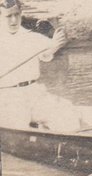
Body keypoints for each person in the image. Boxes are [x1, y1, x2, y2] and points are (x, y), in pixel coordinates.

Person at [0, 0, 81, 131]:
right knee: (18, 127)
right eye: (8, 16)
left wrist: (55, 45)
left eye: (17, 14)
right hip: (8, 97)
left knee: (67, 113)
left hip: (34, 92)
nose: (14, 20)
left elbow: (47, 52)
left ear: (21, 14)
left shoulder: (31, 37)